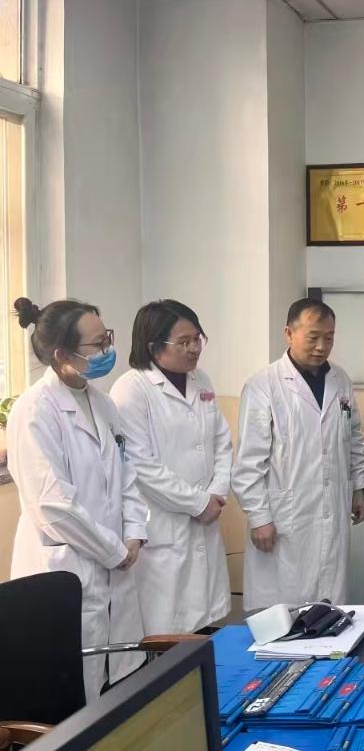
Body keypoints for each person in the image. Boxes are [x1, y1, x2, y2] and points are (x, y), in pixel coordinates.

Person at [7, 297, 147, 700]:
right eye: (98, 344)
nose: (107, 350)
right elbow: (52, 506)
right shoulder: (34, 411)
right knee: (72, 691)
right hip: (67, 568)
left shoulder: (102, 403)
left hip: (116, 562)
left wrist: (134, 533)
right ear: (62, 355)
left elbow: (127, 475)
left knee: (117, 678)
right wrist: (113, 550)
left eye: (107, 339)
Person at [232, 298, 364, 610]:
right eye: (313, 337)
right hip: (284, 519)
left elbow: (353, 439)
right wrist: (259, 518)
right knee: (283, 614)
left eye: (329, 337)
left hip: (332, 510)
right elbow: (249, 463)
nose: (322, 346)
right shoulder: (263, 385)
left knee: (329, 612)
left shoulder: (340, 380)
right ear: (289, 334)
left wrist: (357, 489)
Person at [109, 300, 231, 634]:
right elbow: (140, 465)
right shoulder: (131, 389)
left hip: (206, 517)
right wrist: (198, 503)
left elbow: (221, 441)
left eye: (197, 339)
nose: (194, 349)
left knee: (205, 628)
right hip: (162, 525)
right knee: (165, 631)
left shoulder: (200, 380)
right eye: (184, 342)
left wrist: (217, 492)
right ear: (153, 347)